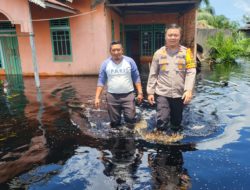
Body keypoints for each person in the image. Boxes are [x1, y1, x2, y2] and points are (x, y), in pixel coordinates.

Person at [147, 24, 196, 132]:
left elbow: (191, 72)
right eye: (170, 35)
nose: (173, 37)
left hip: (179, 94)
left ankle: (174, 136)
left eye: (175, 35)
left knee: (176, 122)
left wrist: (188, 90)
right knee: (162, 119)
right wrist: (150, 92)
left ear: (180, 36)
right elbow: (153, 73)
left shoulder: (187, 53)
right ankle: (160, 139)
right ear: (166, 36)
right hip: (162, 93)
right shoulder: (158, 53)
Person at [95, 41, 143, 127]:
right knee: (115, 123)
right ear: (110, 51)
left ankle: (130, 138)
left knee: (130, 119)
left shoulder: (130, 61)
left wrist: (140, 93)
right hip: (112, 97)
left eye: (118, 50)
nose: (116, 52)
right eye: (113, 50)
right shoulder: (105, 64)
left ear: (122, 50)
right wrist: (97, 97)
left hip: (128, 95)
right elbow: (101, 80)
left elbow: (136, 77)